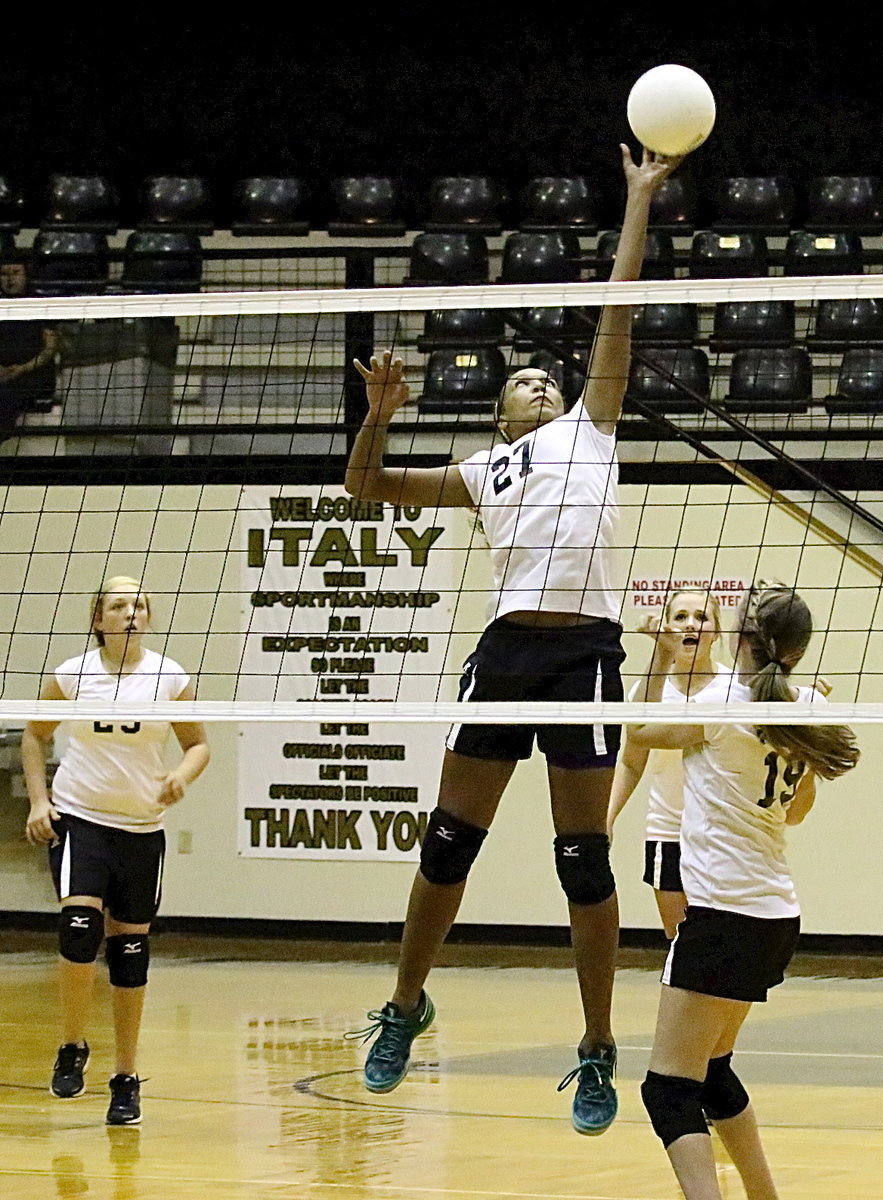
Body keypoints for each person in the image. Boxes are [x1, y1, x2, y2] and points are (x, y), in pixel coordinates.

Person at [343, 143, 682, 1134]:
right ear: (498, 412)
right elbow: (365, 489)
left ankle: (595, 1047)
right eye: (524, 381)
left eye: (548, 378)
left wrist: (638, 199)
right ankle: (405, 1006)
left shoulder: (592, 429)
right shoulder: (484, 470)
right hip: (505, 657)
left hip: (582, 657)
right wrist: (377, 418)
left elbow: (616, 310)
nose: (541, 383)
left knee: (583, 859)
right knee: (449, 843)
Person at [629, 581, 860, 1200]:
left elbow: (638, 734)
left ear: (744, 641)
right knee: (710, 1074)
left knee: (667, 1088)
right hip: (775, 917)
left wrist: (656, 655)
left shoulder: (721, 701)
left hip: (722, 914)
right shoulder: (804, 704)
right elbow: (798, 811)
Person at [22, 576, 209, 1125]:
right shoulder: (74, 673)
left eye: (140, 605)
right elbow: (34, 736)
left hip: (141, 827)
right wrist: (38, 802)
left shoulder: (169, 676)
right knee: (79, 928)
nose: (131, 613)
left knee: (130, 953)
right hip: (82, 818)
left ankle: (125, 1078)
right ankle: (72, 1045)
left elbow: (199, 744)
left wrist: (180, 776)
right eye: (119, 605)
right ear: (98, 618)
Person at [608, 589, 732, 940]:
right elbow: (631, 763)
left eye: (701, 617)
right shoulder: (647, 694)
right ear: (666, 627)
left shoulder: (735, 688)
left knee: (723, 938)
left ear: (717, 632)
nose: (690, 623)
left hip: (722, 831)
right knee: (680, 940)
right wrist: (608, 817)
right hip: (668, 834)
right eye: (680, 617)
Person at [0, 255, 59, 443]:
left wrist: (22, 369)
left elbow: (50, 348)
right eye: (4, 274)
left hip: (33, 373)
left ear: (26, 275)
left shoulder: (39, 303)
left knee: (6, 394)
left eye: (15, 273)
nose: (10, 279)